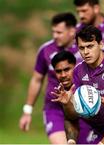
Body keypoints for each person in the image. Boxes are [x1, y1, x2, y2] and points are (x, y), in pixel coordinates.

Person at [19, 12, 97, 144]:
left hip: (81, 109)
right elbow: (36, 80)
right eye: (53, 32)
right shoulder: (45, 50)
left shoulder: (84, 50)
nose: (55, 36)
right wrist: (27, 111)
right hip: (54, 109)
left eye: (59, 32)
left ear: (72, 31)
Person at [51, 50, 104, 144]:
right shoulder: (62, 93)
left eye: (67, 69)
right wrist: (71, 141)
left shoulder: (90, 86)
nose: (63, 75)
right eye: (58, 71)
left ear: (75, 67)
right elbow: (71, 118)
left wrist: (103, 143)